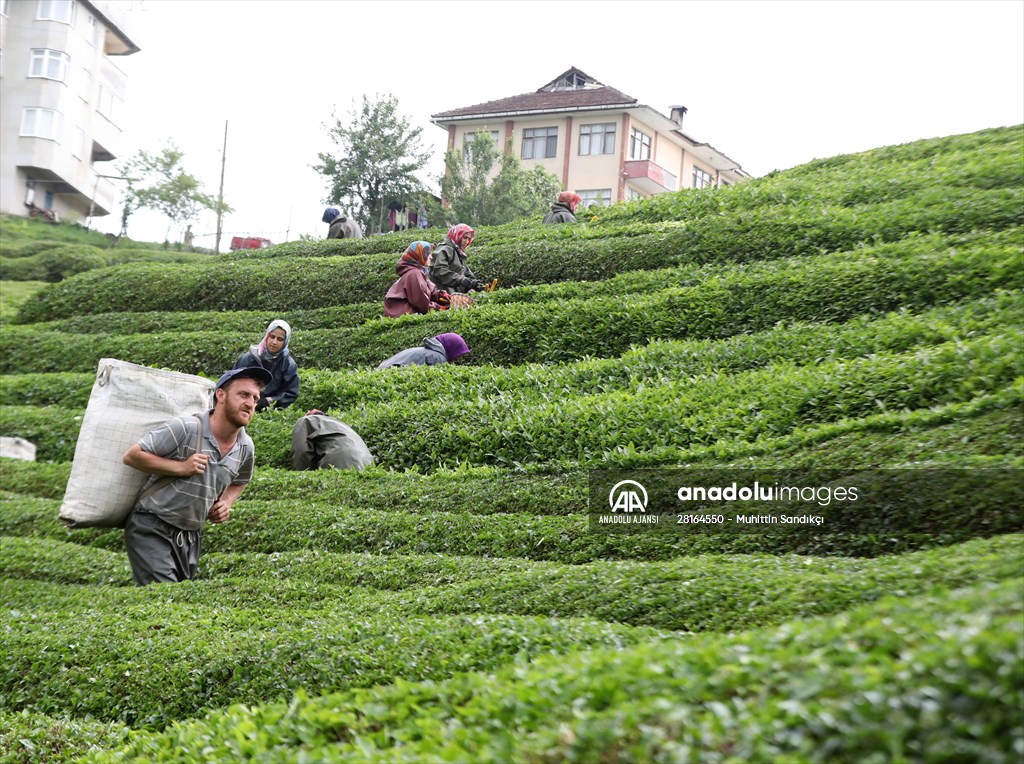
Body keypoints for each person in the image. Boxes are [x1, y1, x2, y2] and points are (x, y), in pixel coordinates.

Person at [121, 366, 271, 586]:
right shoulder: (187, 428)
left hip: (191, 536)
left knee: (179, 597)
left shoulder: (245, 446)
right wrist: (181, 468)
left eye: (255, 398)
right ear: (221, 395)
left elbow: (241, 480)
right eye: (243, 395)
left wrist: (226, 502)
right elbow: (133, 456)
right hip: (152, 525)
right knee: (165, 596)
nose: (250, 403)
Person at [232, 319, 300, 411]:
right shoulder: (248, 358)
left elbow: (291, 393)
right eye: (272, 337)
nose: (274, 342)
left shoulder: (288, 364)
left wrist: (268, 401)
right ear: (267, 336)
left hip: (272, 410)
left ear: (285, 342)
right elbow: (233, 383)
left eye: (280, 339)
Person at [383, 240, 451, 318]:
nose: (431, 257)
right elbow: (421, 304)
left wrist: (441, 295)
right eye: (427, 253)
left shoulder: (418, 272)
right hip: (404, 316)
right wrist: (440, 308)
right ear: (419, 255)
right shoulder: (414, 273)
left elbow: (430, 290)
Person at [291, 409, 375, 471]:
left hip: (341, 461)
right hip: (367, 464)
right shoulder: (340, 424)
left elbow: (301, 450)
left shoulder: (306, 420)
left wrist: (304, 474)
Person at [428, 223, 487, 294]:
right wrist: (460, 279)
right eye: (465, 238)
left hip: (454, 296)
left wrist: (475, 284)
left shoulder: (458, 253)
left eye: (469, 239)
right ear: (457, 236)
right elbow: (439, 271)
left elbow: (466, 273)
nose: (467, 242)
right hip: (443, 295)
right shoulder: (445, 249)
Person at [376, 332, 471, 369]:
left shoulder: (429, 352)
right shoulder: (438, 358)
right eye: (456, 356)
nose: (454, 360)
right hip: (387, 370)